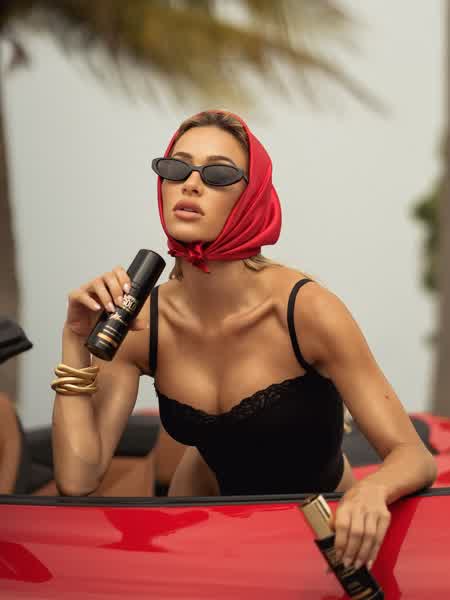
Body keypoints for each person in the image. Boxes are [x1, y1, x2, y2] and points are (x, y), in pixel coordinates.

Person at [52, 109, 437, 573]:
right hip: (209, 531)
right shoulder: (139, 324)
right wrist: (75, 339)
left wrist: (374, 490)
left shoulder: (306, 311)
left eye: (217, 174)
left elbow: (413, 456)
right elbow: (79, 478)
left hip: (321, 541)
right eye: (176, 168)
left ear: (251, 198)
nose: (191, 184)